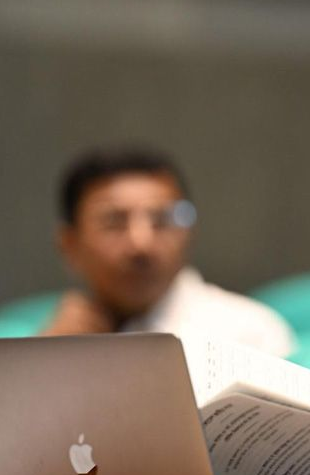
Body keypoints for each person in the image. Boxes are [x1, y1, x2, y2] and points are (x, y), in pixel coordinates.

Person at [41, 145, 296, 359]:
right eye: (114, 222)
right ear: (69, 245)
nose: (141, 243)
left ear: (188, 233)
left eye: (162, 220)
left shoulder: (250, 336)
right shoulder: (54, 343)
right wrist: (47, 360)